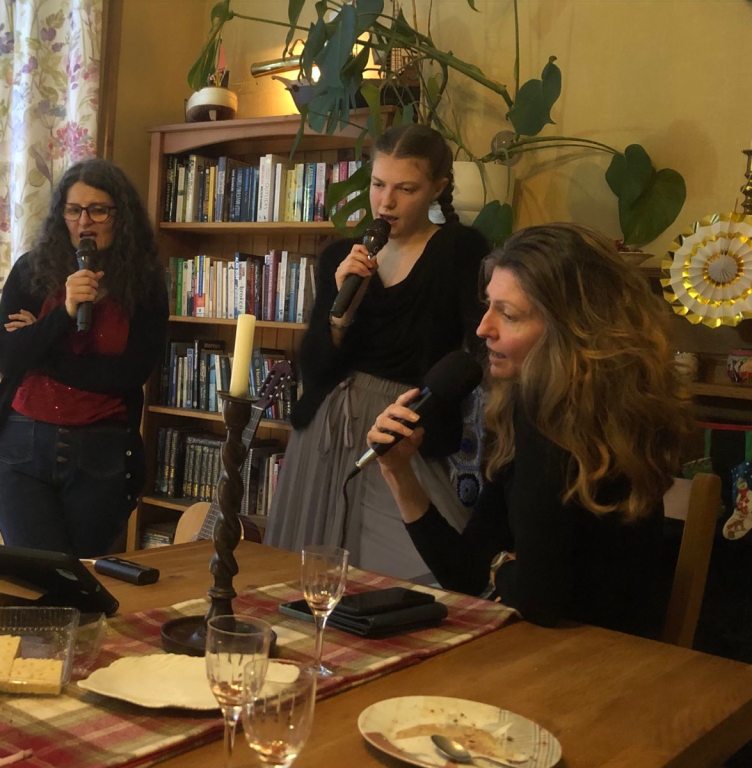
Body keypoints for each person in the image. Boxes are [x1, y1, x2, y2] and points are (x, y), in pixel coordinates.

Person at [367, 223, 692, 637]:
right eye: (488, 305)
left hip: (596, 669)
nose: (484, 328)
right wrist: (399, 472)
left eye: (508, 314)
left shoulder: (547, 419)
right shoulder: (545, 408)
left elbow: (536, 601)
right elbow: (466, 574)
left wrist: (500, 567)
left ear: (570, 332)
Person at [265, 123, 490, 578]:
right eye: (378, 184)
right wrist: (339, 313)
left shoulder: (460, 250)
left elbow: (476, 350)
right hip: (328, 429)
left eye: (405, 188)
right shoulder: (340, 258)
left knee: (427, 569)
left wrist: (429, 405)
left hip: (403, 429)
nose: (386, 202)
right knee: (308, 570)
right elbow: (315, 365)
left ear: (436, 188)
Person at [0, 158, 168, 558]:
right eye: (73, 210)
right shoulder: (32, 271)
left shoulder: (145, 284)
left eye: (98, 209)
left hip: (101, 456)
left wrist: (42, 350)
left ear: (120, 216)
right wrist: (63, 314)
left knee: (81, 584)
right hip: (20, 451)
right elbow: (10, 360)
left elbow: (129, 374)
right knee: (37, 581)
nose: (85, 222)